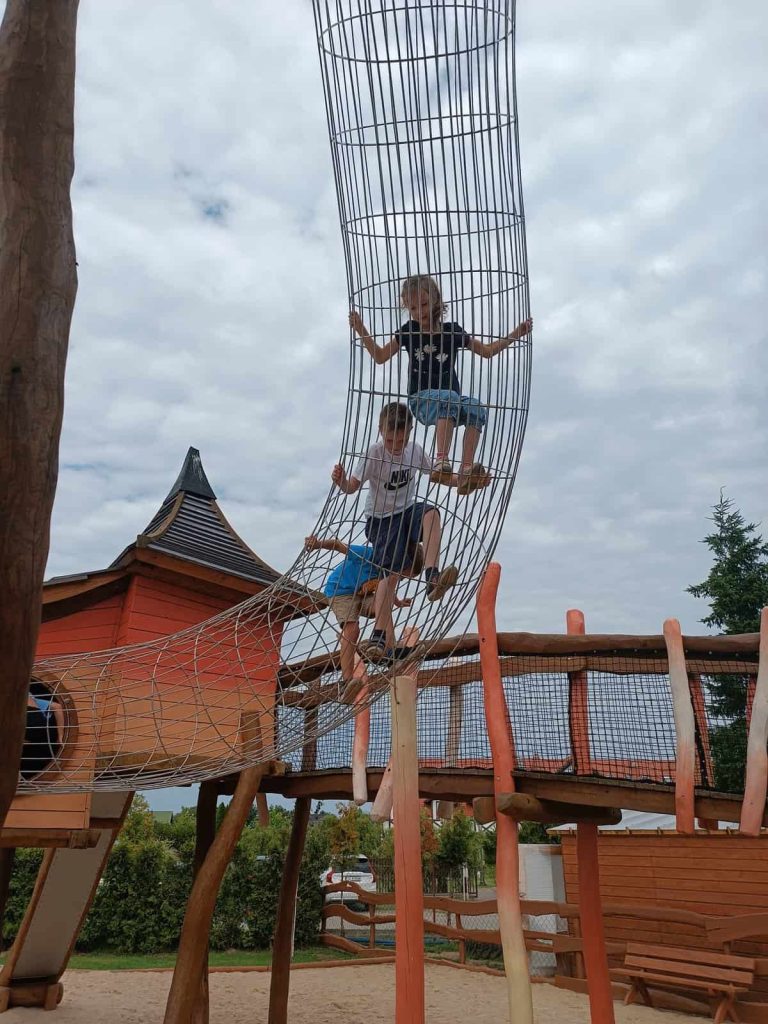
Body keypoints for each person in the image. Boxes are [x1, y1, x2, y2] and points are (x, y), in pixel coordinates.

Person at [349, 273, 533, 494]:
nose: (419, 312)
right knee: (449, 397)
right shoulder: (408, 331)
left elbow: (487, 351)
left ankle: (466, 470)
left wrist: (517, 333)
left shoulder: (452, 331)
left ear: (436, 299)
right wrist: (360, 329)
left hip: (450, 402)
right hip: (421, 399)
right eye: (413, 308)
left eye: (424, 304)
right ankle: (441, 461)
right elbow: (380, 356)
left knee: (475, 407)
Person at [331, 401, 458, 661]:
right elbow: (352, 487)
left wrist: (464, 481)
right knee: (390, 573)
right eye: (391, 440)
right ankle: (379, 635)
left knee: (432, 514)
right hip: (381, 520)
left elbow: (438, 476)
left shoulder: (415, 451)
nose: (396, 446)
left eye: (402, 440)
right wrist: (340, 480)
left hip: (406, 511)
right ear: (381, 431)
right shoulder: (374, 453)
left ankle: (432, 577)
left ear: (410, 432)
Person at [304, 534, 423, 680]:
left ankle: (391, 653)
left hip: (361, 594)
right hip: (340, 590)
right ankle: (347, 680)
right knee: (352, 630)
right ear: (398, 559)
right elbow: (337, 545)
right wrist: (317, 544)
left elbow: (386, 590)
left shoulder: (389, 570)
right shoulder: (369, 555)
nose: (400, 579)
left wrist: (397, 602)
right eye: (402, 575)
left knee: (383, 606)